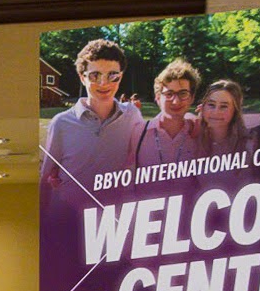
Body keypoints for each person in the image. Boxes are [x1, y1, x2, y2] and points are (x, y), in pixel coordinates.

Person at [39, 37, 143, 193]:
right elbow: (47, 177)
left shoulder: (132, 115)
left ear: (120, 77)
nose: (104, 83)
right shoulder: (61, 123)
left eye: (112, 75)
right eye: (95, 75)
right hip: (71, 207)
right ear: (82, 78)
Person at [133, 58, 206, 167]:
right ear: (158, 98)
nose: (176, 101)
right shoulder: (138, 134)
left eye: (183, 93)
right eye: (169, 94)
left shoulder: (201, 134)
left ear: (192, 98)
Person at [194, 78, 249, 153]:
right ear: (203, 106)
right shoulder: (192, 136)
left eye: (224, 106)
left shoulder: (247, 142)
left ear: (235, 110)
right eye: (211, 105)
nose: (216, 112)